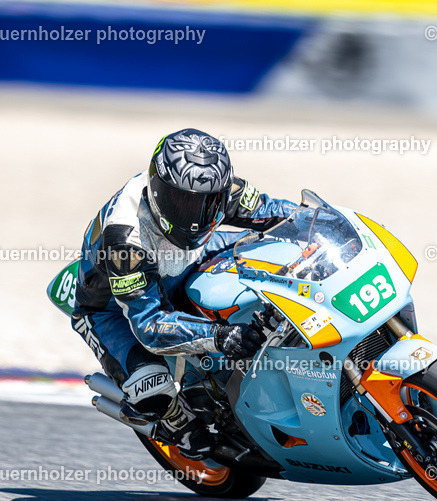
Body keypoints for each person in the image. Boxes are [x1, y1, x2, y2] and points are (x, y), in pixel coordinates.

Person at [62, 128, 297, 459]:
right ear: (157, 190)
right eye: (182, 201)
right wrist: (220, 336)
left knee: (273, 251)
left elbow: (276, 212)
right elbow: (150, 325)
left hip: (180, 261)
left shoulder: (218, 188)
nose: (196, 215)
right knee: (152, 388)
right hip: (114, 308)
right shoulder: (125, 239)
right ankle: (174, 422)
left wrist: (318, 221)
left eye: (206, 202)